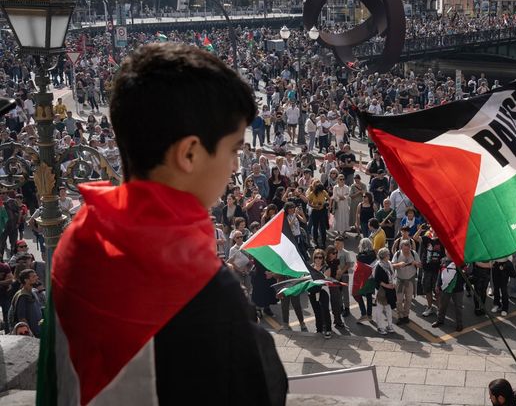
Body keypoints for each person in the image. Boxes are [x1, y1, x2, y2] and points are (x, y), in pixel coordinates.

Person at [45, 44, 286, 405]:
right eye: (234, 150)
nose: (235, 166)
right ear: (189, 153)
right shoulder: (202, 289)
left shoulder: (79, 234)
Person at [433, 252, 465, 331]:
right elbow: (440, 273)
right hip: (445, 288)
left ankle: (459, 324)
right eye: (447, 251)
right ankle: (440, 320)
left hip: (458, 289)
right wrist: (437, 284)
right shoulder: (443, 260)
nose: (448, 253)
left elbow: (467, 272)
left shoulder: (460, 261)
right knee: (442, 306)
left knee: (458, 307)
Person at [392, 240, 420, 325]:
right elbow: (392, 265)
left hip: (410, 280)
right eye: (405, 250)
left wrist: (416, 263)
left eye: (408, 250)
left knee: (408, 299)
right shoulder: (397, 254)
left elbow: (420, 265)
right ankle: (400, 316)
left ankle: (406, 316)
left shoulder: (413, 253)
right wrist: (399, 264)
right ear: (401, 248)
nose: (406, 251)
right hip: (400, 280)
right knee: (399, 300)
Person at [308, 248, 334, 338]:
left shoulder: (326, 268)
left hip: (323, 291)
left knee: (325, 310)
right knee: (316, 311)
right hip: (312, 292)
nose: (318, 259)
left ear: (323, 258)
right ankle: (319, 328)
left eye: (320, 257)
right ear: (314, 258)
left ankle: (328, 329)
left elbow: (326, 281)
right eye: (316, 257)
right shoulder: (310, 267)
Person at [9, 268, 41, 337]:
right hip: (30, 335)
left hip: (39, 331)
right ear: (26, 280)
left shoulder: (34, 292)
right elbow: (22, 318)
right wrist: (29, 333)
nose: (37, 278)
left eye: (36, 276)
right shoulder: (22, 296)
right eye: (33, 276)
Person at [373, 247, 396, 335]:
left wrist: (393, 283)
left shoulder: (389, 263)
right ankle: (380, 327)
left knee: (389, 309)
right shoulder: (378, 266)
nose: (389, 255)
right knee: (380, 308)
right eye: (388, 254)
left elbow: (392, 275)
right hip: (382, 291)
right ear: (384, 256)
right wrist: (387, 285)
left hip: (390, 289)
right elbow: (377, 280)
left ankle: (390, 326)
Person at [353, 237, 376, 324]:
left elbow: (358, 268)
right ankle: (369, 315)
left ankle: (363, 314)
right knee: (369, 296)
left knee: (357, 295)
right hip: (371, 278)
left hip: (362, 279)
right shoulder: (373, 254)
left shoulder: (360, 256)